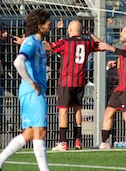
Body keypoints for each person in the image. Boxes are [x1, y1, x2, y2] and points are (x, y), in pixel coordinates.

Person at [0, 9, 51, 171]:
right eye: (48, 24)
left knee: (29, 134)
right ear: (39, 26)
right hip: (33, 92)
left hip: (31, 92)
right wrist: (31, 82)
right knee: (40, 131)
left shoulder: (37, 43)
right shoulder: (31, 42)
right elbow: (18, 62)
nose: (50, 26)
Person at [43, 20, 101, 151]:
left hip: (66, 81)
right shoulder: (87, 42)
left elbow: (49, 46)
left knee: (63, 110)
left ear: (69, 30)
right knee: (77, 109)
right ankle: (78, 140)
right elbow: (101, 44)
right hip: (80, 81)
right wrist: (90, 34)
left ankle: (63, 142)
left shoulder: (65, 42)